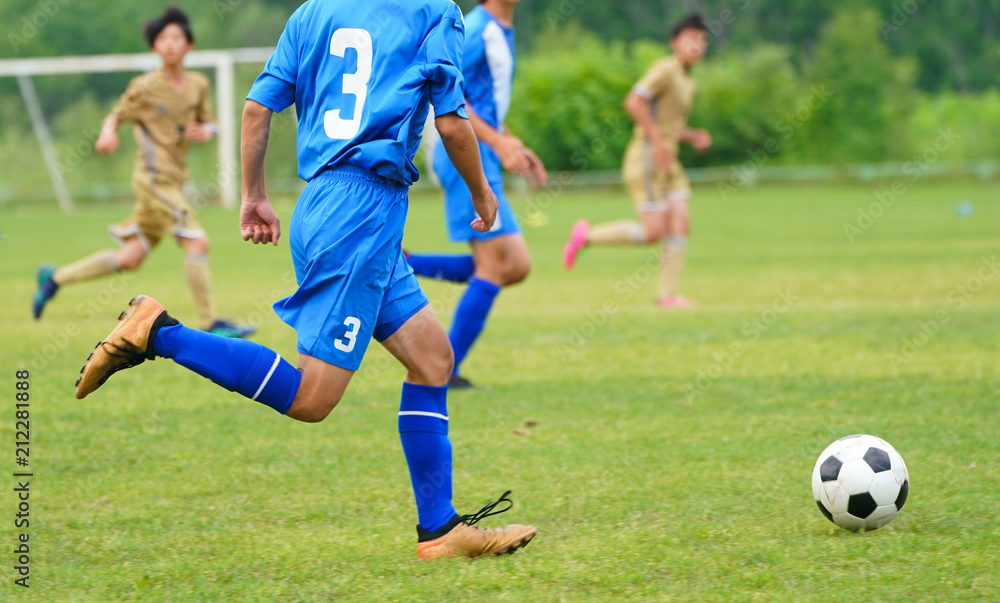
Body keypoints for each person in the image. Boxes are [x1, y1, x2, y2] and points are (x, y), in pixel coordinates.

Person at [74, 0, 536, 560]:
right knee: (312, 400)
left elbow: (254, 110)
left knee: (433, 359)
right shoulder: (434, 11)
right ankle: (157, 332)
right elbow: (452, 122)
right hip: (360, 212)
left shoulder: (313, 11)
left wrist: (254, 196)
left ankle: (440, 530)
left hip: (330, 202)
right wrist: (483, 191)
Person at [31, 7, 253, 338]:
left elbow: (209, 122)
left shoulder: (198, 84)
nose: (169, 44)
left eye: (176, 37)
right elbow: (116, 114)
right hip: (152, 178)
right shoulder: (145, 86)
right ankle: (211, 324)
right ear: (154, 48)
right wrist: (108, 132)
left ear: (189, 45)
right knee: (197, 242)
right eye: (162, 39)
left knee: (130, 257)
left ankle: (54, 278)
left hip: (174, 180)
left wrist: (207, 131)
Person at [406, 0, 548, 389]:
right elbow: (450, 97)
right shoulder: (475, 28)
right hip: (466, 156)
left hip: (484, 151)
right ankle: (442, 372)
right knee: (494, 266)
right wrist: (497, 143)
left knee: (514, 265)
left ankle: (403, 263)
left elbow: (484, 103)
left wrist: (509, 141)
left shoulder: (502, 27)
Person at [563, 14, 713, 308]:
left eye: (702, 40)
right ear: (674, 42)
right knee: (654, 233)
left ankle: (666, 296)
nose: (696, 45)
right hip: (647, 156)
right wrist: (657, 141)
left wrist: (692, 136)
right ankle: (587, 236)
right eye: (690, 38)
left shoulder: (687, 80)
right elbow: (634, 101)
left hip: (670, 158)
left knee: (681, 224)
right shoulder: (665, 69)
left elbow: (669, 124)